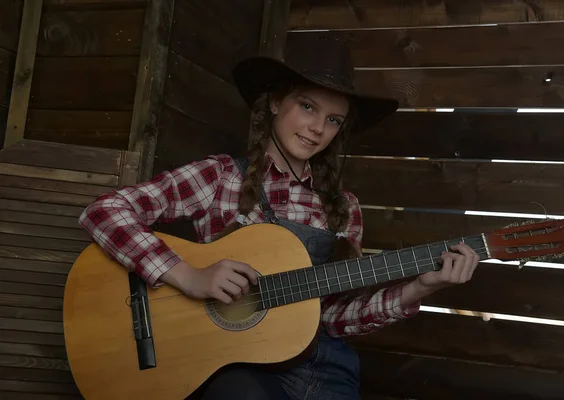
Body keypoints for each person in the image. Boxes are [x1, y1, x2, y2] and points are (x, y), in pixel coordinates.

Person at [78, 36, 480, 400]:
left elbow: (332, 319)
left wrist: (418, 290)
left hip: (325, 374)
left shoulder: (345, 209)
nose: (318, 128)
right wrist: (187, 275)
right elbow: (104, 212)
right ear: (275, 102)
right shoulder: (220, 177)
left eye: (334, 120)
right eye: (307, 106)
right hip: (242, 369)